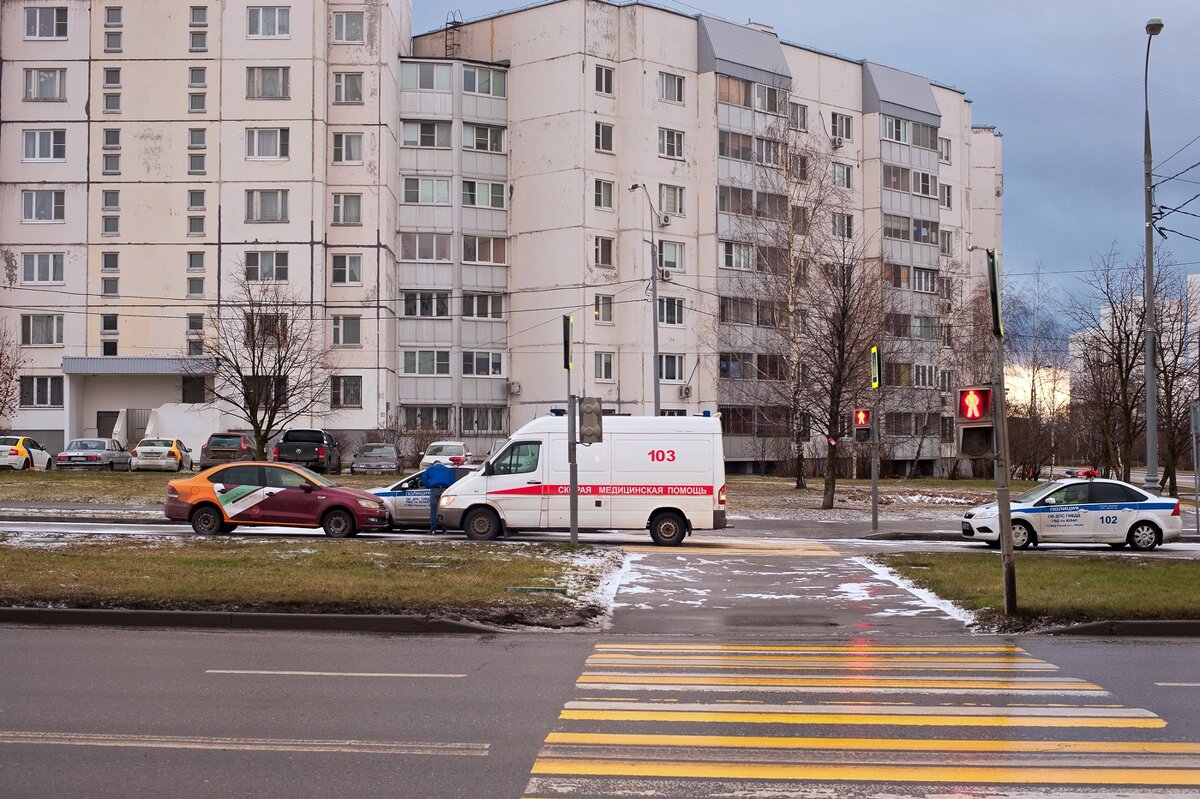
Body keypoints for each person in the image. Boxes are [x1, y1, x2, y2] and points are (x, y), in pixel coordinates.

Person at [421, 462, 457, 533]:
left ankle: (433, 529)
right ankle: (444, 529)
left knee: (433, 510)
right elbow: (453, 481)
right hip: (445, 491)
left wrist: (428, 486)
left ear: (434, 464)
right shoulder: (448, 470)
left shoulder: (430, 469)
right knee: (444, 510)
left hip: (434, 490)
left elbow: (423, 477)